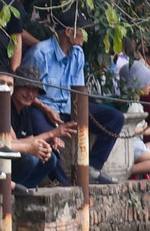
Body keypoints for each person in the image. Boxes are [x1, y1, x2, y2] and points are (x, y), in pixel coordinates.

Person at [25, 12, 124, 182]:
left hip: (70, 107)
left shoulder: (78, 53)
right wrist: (46, 110)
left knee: (115, 118)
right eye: (82, 32)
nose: (85, 37)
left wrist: (82, 113)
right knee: (44, 133)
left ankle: (92, 167)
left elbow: (79, 93)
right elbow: (24, 91)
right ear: (69, 32)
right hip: (41, 107)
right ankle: (64, 184)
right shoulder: (40, 53)